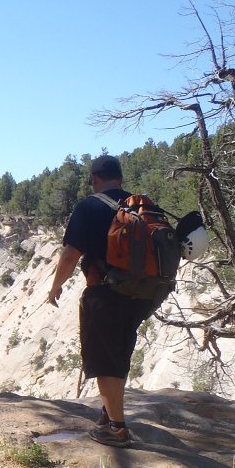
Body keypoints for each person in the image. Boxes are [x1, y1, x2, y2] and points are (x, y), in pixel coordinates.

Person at [46, 155, 154, 447]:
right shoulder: (142, 206)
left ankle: (117, 429)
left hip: (106, 293)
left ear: (94, 179)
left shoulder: (90, 206)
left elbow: (70, 255)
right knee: (119, 351)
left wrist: (55, 287)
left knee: (105, 360)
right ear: (119, 177)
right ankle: (108, 414)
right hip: (142, 294)